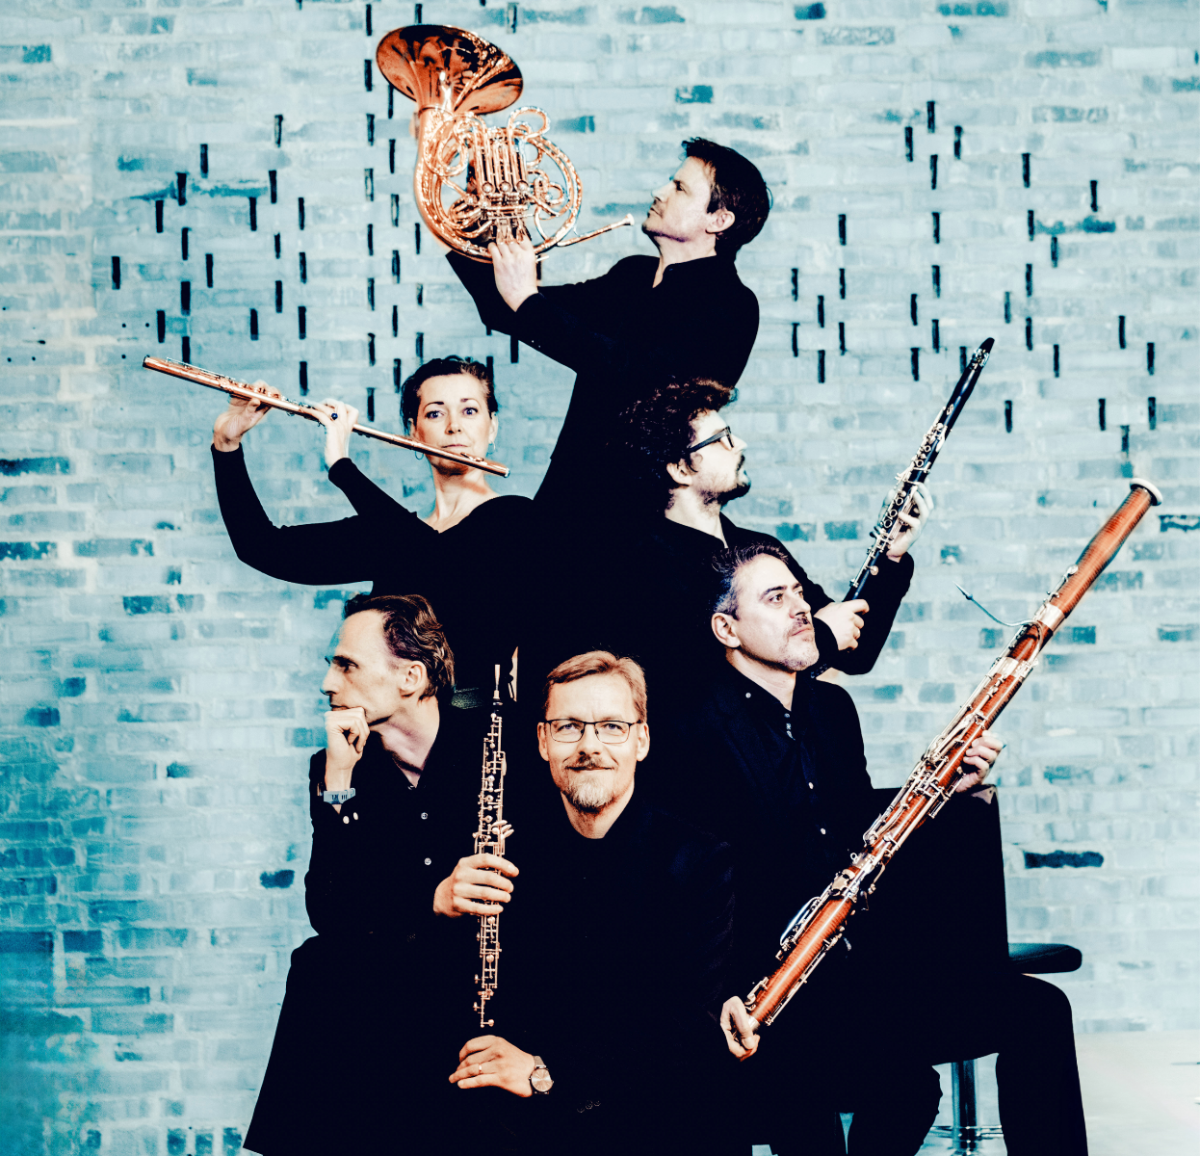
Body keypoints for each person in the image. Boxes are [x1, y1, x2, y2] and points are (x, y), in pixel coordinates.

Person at [674, 544, 1085, 1156]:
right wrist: (720, 993)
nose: (801, 609)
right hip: (767, 988)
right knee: (886, 1086)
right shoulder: (695, 727)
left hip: (861, 971)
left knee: (1039, 1011)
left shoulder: (833, 710)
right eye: (775, 598)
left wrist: (948, 793)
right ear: (726, 629)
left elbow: (859, 835)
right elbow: (689, 878)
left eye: (798, 592)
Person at [432, 651, 735, 1156]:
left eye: (612, 727)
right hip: (533, 1130)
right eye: (568, 727)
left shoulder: (699, 861)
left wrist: (544, 1071)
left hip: (655, 1130)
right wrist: (441, 904)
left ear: (642, 740)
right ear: (542, 741)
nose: (589, 746)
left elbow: (683, 1034)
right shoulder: (506, 859)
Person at [244, 593, 483, 1156]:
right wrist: (340, 782)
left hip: (480, 970)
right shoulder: (337, 765)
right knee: (321, 963)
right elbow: (329, 909)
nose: (328, 683)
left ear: (410, 677)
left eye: (346, 665)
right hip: (396, 971)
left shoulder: (492, 746)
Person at [447, 138, 770, 511]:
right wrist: (478, 217)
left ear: (719, 220)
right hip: (568, 489)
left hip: (643, 510)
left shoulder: (733, 305)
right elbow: (505, 307)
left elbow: (637, 375)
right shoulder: (633, 275)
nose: (659, 191)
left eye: (679, 187)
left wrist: (527, 299)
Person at [209, 357, 532, 702]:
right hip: (385, 729)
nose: (454, 426)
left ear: (491, 427)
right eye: (435, 413)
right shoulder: (389, 532)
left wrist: (342, 467)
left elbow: (436, 563)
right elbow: (261, 546)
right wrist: (227, 445)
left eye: (469, 411)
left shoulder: (516, 518)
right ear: (413, 431)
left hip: (475, 727)